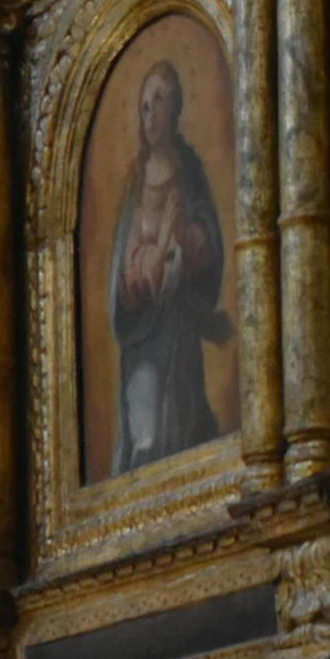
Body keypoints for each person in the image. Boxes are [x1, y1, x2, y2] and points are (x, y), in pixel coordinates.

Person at [107, 60, 229, 474]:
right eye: (143, 105)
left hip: (178, 328)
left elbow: (206, 236)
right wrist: (145, 266)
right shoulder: (135, 180)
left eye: (158, 102)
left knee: (182, 416)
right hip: (144, 332)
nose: (150, 114)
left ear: (175, 109)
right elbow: (124, 257)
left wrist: (188, 242)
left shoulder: (188, 172)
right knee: (147, 434)